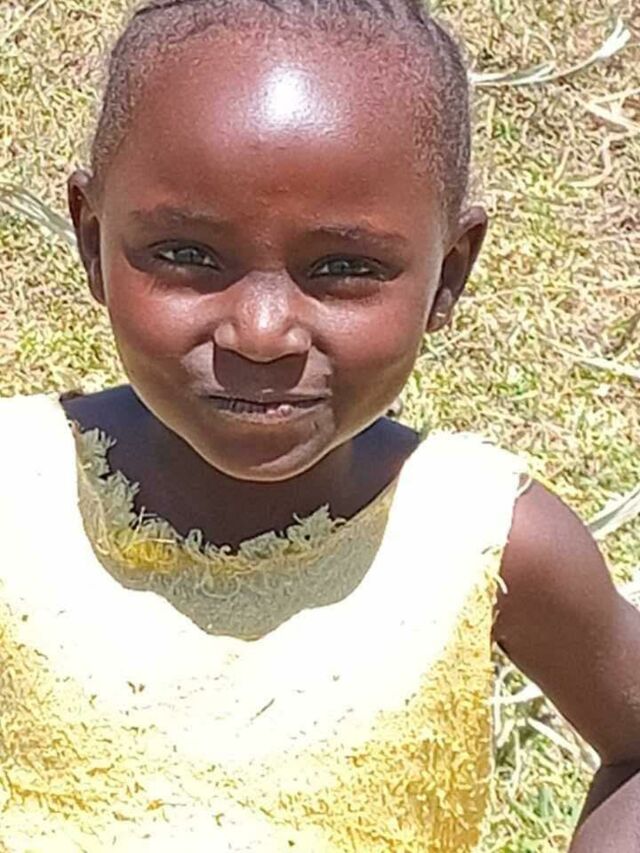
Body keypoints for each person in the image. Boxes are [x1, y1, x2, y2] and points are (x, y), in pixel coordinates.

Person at [0, 0, 638, 849]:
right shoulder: (17, 495)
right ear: (90, 239)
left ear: (449, 273)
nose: (261, 333)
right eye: (187, 255)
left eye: (343, 267)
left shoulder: (487, 540)